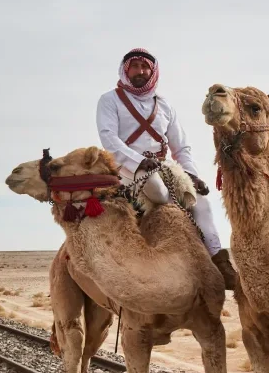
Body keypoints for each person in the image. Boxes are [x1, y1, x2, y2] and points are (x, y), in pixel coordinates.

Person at [97, 47, 237, 289]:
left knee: (200, 200)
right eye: (135, 67)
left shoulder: (164, 106)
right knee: (159, 192)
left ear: (153, 72)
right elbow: (109, 140)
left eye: (145, 67)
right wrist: (138, 161)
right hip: (127, 167)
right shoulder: (109, 100)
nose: (140, 71)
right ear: (125, 70)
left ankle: (219, 262)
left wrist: (192, 175)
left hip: (163, 167)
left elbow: (181, 147)